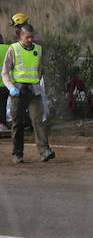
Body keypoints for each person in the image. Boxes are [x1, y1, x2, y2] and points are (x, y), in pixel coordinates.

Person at [2, 23, 54, 164]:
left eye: (32, 37)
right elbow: (5, 72)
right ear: (20, 36)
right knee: (18, 123)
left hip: (34, 91)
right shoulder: (13, 49)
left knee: (39, 120)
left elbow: (40, 69)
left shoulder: (38, 49)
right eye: (27, 37)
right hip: (18, 91)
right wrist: (11, 87)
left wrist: (40, 85)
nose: (30, 40)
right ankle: (17, 153)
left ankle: (45, 151)